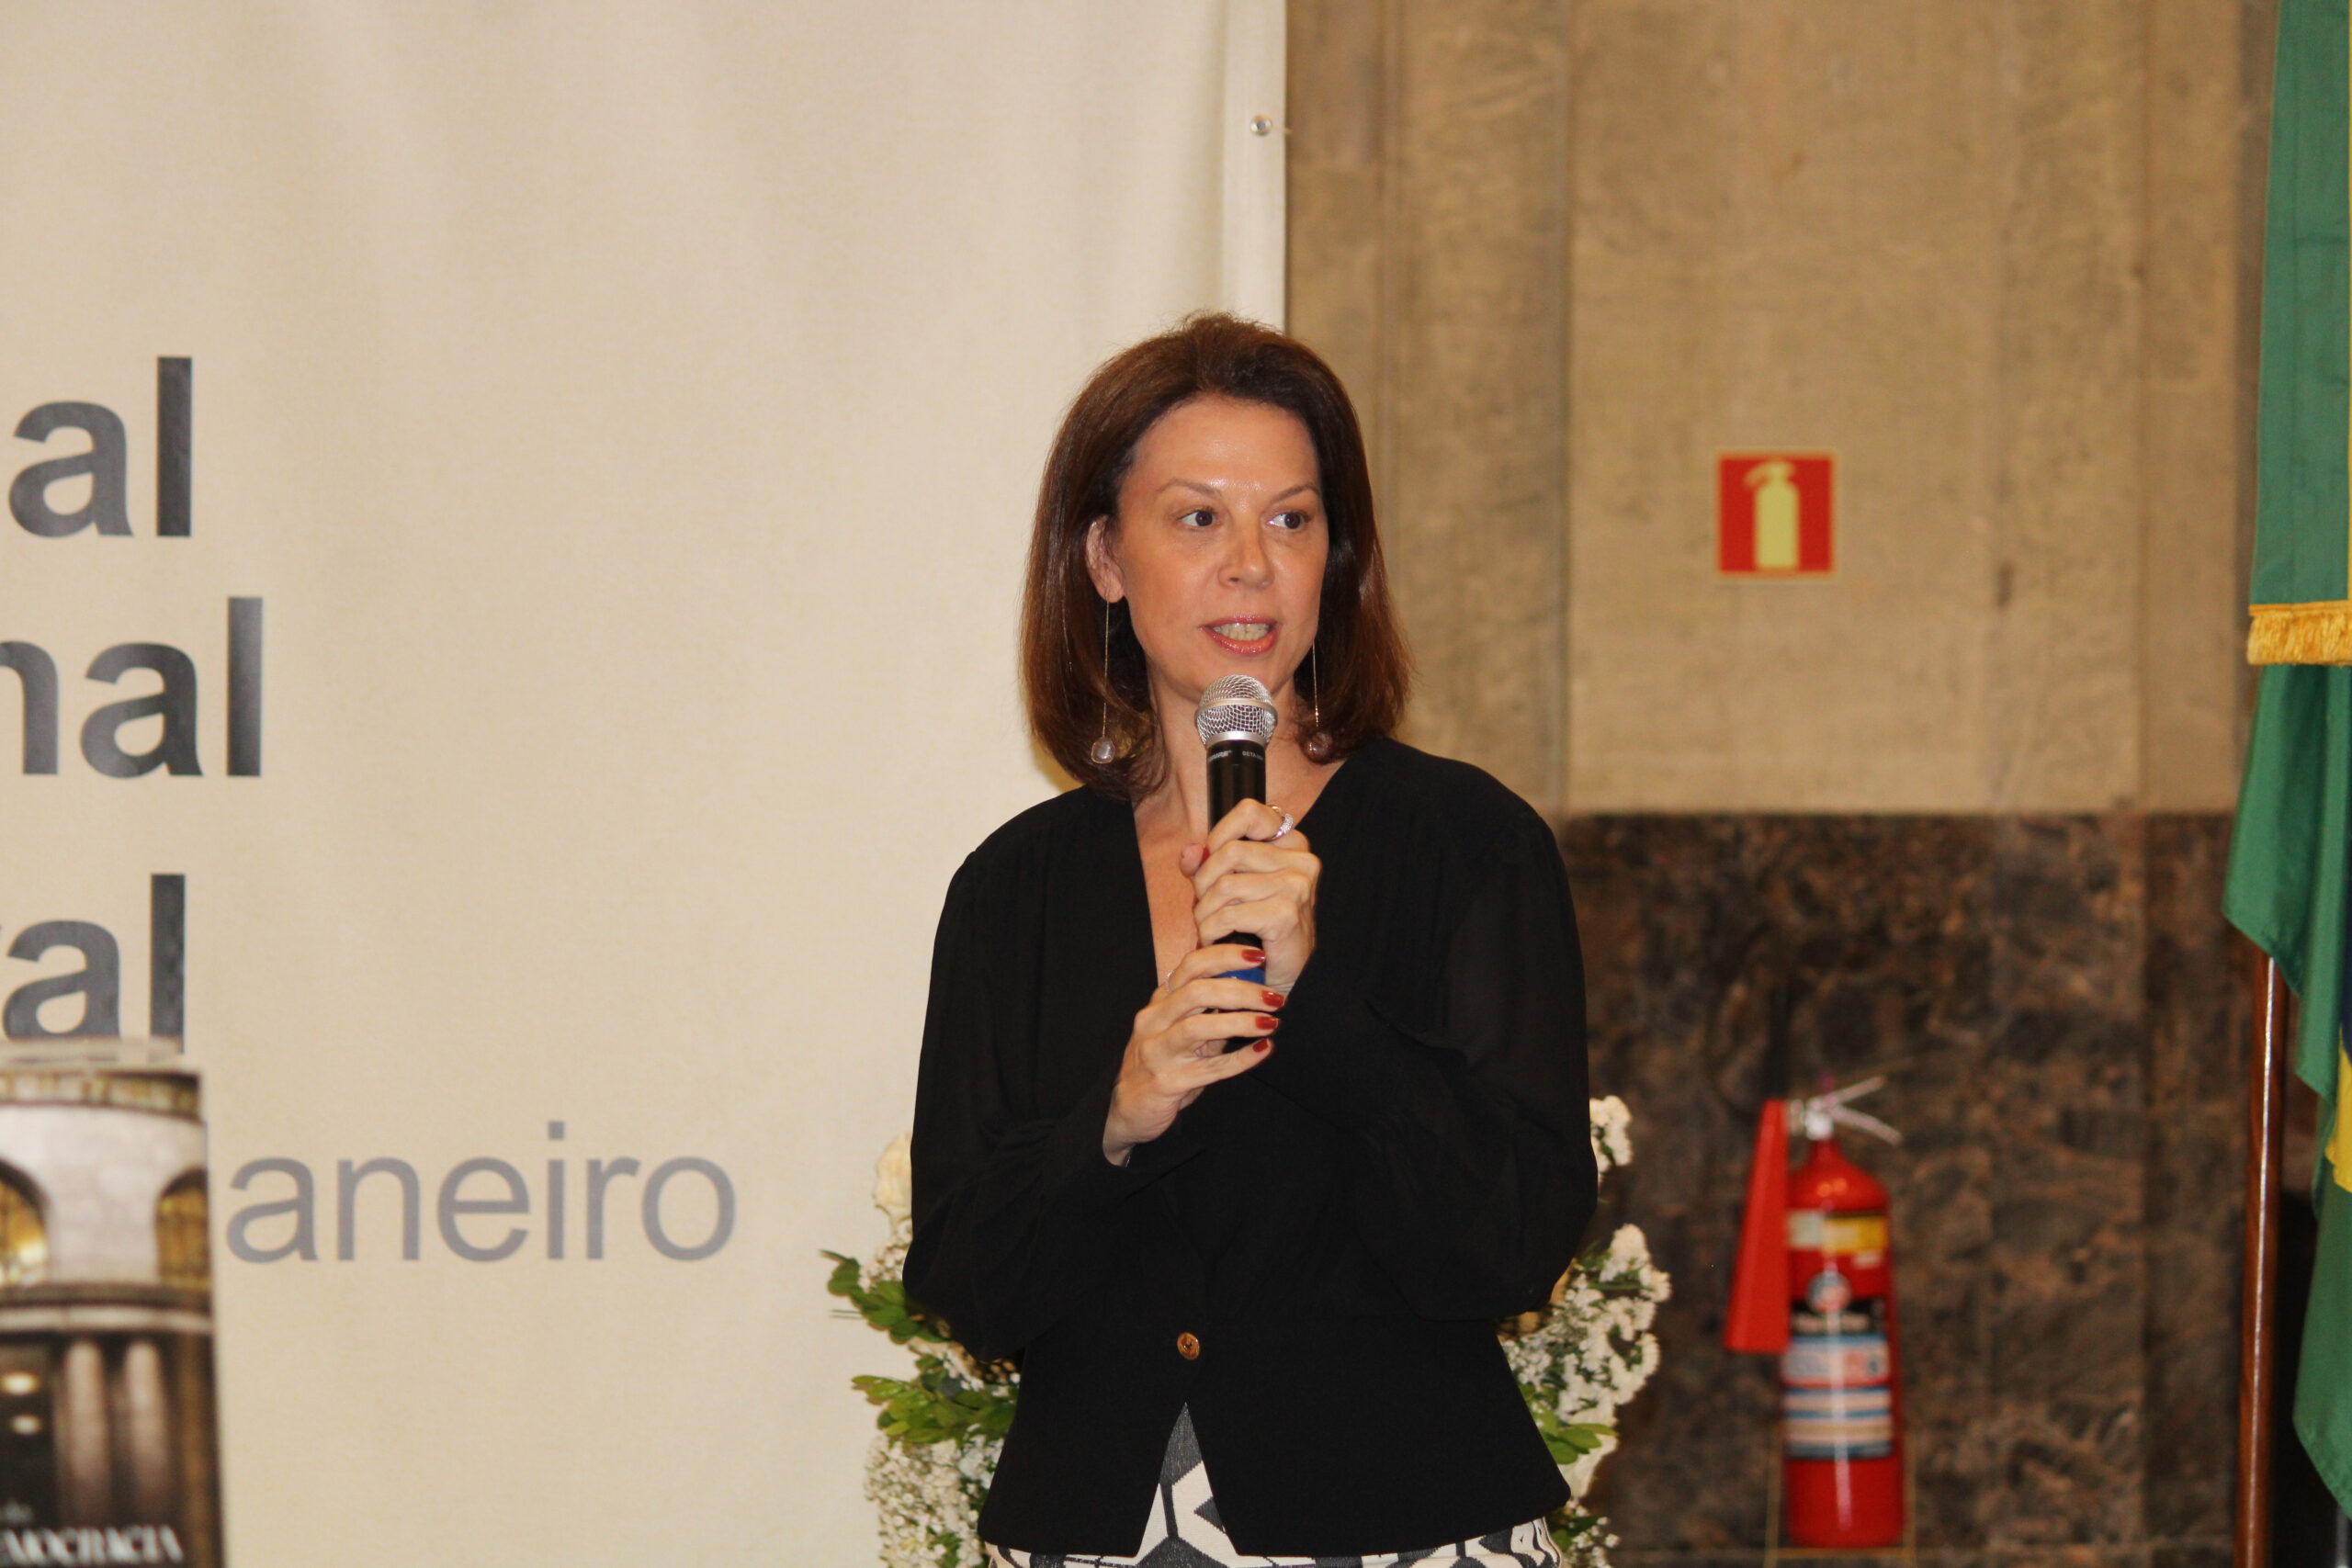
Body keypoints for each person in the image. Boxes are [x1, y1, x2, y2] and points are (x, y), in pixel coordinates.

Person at [904, 314, 1596, 1565]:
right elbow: (965, 1281)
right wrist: (1115, 1119)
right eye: (1196, 518)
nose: (1250, 567)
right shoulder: (1017, 888)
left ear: (1337, 556)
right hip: (1096, 1531)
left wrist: (1315, 996)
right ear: (1104, 557)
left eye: (1291, 520)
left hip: (1404, 1523)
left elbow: (1511, 1245)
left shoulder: (1466, 843)